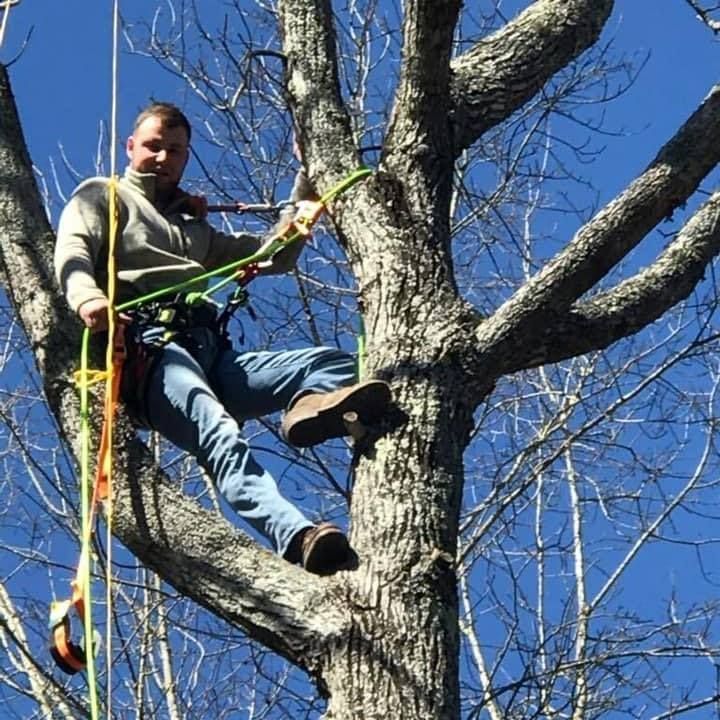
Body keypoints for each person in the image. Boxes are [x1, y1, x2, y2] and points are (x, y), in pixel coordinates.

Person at [54, 102, 391, 575]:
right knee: (219, 433)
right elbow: (73, 249)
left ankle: (310, 406)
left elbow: (273, 254)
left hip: (210, 351)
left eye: (174, 150)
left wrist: (307, 183)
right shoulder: (103, 196)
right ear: (131, 147)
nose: (162, 157)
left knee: (332, 364)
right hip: (151, 350)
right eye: (152, 146)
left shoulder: (195, 230)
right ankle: (297, 535)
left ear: (185, 158)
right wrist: (87, 298)